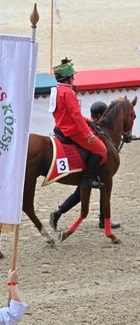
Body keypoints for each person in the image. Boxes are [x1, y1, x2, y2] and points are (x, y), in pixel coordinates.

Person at [50, 101, 121, 230]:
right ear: (100, 115)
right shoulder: (95, 131)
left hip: (83, 169)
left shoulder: (91, 126)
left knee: (79, 194)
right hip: (91, 169)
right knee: (102, 185)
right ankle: (102, 220)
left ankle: (59, 212)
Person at [50, 57, 107, 189]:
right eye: (72, 77)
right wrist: (88, 134)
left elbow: (63, 113)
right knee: (101, 150)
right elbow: (75, 116)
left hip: (59, 126)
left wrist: (86, 119)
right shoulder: (69, 92)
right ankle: (88, 179)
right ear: (67, 78)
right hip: (71, 130)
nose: (73, 79)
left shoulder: (56, 90)